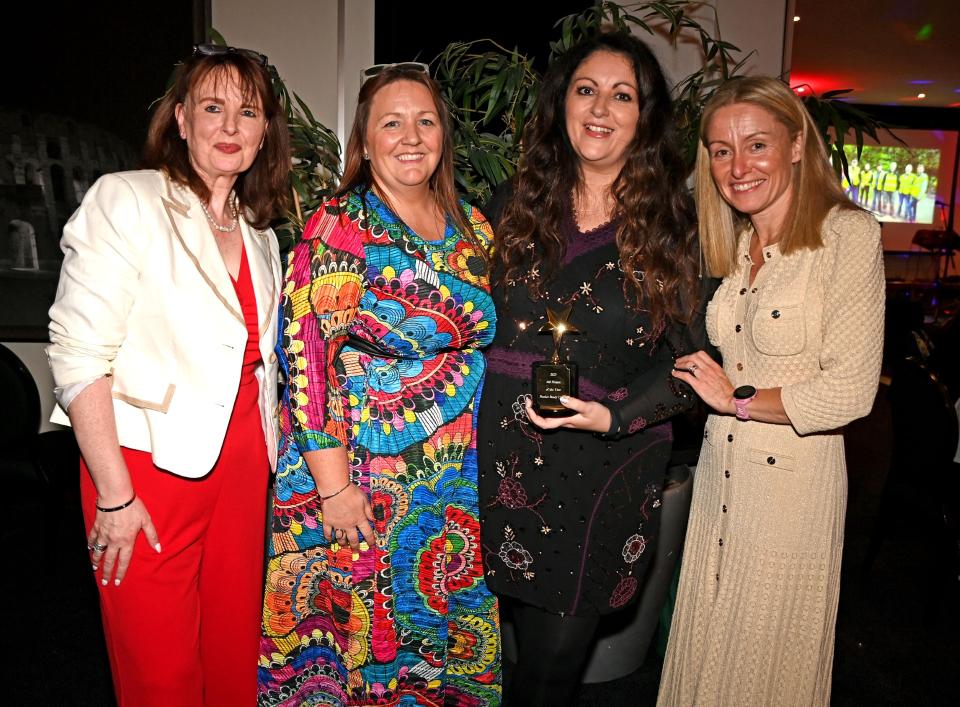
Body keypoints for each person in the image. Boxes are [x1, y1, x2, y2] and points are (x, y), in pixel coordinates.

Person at [47, 44, 289, 706]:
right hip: (142, 473)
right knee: (161, 676)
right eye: (213, 108)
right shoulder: (127, 199)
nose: (231, 127)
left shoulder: (261, 234)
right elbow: (76, 353)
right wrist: (116, 494)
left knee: (234, 660)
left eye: (248, 111)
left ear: (265, 130)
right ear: (181, 119)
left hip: (241, 470)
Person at [257, 63, 502, 705]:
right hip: (362, 483)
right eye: (391, 122)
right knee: (361, 655)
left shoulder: (473, 227)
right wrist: (333, 491)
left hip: (456, 484)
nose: (411, 136)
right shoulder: (342, 226)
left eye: (425, 121)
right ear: (364, 142)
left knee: (443, 654)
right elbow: (305, 364)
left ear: (443, 134)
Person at [477, 31, 705, 705]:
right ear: (562, 104)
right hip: (494, 464)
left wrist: (617, 414)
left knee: (551, 670)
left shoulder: (671, 227)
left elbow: (693, 367)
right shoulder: (508, 205)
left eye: (622, 94)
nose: (601, 107)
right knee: (512, 658)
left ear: (645, 116)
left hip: (598, 474)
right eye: (586, 89)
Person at [658, 76, 884, 706]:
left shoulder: (846, 236)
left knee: (765, 665)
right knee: (707, 654)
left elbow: (850, 391)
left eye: (756, 144)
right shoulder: (733, 242)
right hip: (722, 473)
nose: (738, 166)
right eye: (721, 151)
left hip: (793, 490)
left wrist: (736, 399)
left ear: (793, 144)